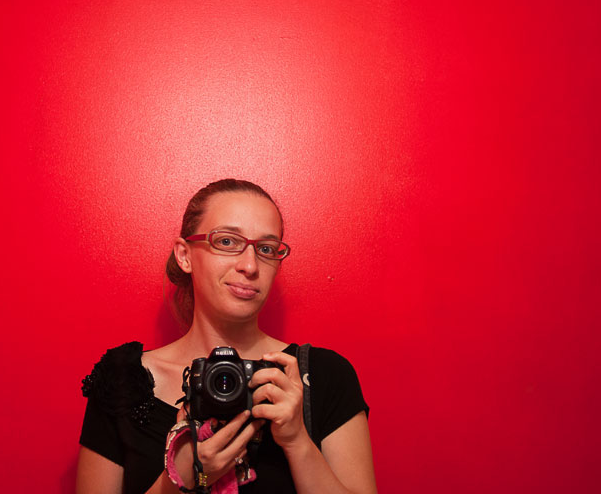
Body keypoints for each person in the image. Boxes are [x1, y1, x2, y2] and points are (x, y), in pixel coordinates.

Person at [76, 179, 377, 494]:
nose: (249, 266)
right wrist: (187, 476)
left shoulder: (322, 375)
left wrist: (296, 441)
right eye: (227, 242)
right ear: (184, 255)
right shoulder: (123, 380)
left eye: (265, 249)